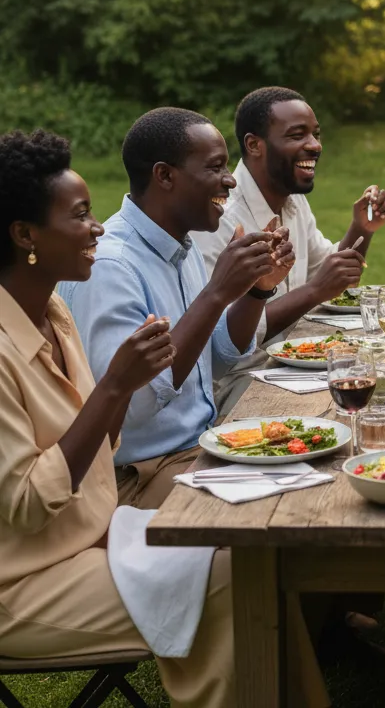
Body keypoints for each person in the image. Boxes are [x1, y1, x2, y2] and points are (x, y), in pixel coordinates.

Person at [0, 129, 234, 708]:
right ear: (25, 234)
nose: (98, 228)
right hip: (23, 583)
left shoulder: (53, 311)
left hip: (95, 536)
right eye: (80, 215)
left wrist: (114, 392)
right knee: (234, 577)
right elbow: (27, 504)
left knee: (245, 552)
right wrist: (114, 386)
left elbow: (99, 447)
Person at [60, 108, 287, 510]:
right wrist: (217, 293)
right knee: (282, 512)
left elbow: (214, 362)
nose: (231, 179)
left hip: (198, 447)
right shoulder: (111, 267)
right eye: (215, 167)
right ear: (165, 176)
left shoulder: (180, 246)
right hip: (139, 476)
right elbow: (134, 406)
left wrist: (255, 292)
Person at [193, 86, 385, 413]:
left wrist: (362, 229)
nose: (314, 145)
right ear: (254, 145)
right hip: (237, 384)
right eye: (297, 135)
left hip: (294, 369)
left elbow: (326, 270)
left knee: (384, 379)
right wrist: (314, 291)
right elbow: (226, 343)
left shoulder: (292, 198)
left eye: (315, 134)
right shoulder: (220, 217)